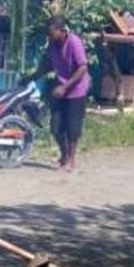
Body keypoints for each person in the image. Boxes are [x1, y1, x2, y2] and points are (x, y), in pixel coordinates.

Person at [28, 16, 89, 171]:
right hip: (59, 90)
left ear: (62, 31)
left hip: (76, 90)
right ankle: (64, 154)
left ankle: (71, 160)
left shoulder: (74, 42)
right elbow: (47, 64)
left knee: (72, 128)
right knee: (55, 127)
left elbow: (82, 68)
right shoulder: (53, 45)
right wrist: (32, 77)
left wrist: (65, 87)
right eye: (48, 34)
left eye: (52, 33)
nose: (50, 36)